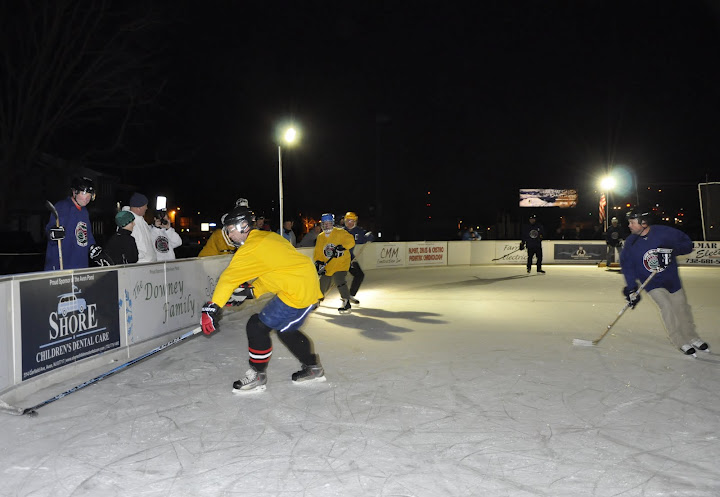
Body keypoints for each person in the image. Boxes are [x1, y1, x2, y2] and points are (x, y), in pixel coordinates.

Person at [200, 206, 326, 393]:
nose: (229, 234)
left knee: (259, 327)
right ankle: (313, 367)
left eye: (231, 229)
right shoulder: (267, 237)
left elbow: (228, 278)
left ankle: (258, 375)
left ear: (244, 226)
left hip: (299, 292)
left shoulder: (252, 247)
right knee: (284, 331)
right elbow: (276, 271)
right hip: (297, 286)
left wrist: (213, 306)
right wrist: (251, 292)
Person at [620, 208, 710, 356]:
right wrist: (631, 288)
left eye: (632, 222)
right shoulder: (631, 242)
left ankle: (691, 337)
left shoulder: (664, 232)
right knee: (667, 307)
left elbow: (687, 244)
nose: (629, 225)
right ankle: (679, 341)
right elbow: (628, 267)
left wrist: (673, 250)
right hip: (652, 283)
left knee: (682, 309)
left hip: (672, 280)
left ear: (643, 222)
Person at [44, 176, 103, 270]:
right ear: (74, 192)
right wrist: (52, 234)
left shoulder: (84, 212)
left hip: (81, 266)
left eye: (90, 195)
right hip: (63, 266)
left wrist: (93, 248)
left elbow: (87, 235)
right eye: (84, 193)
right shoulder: (63, 206)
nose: (87, 198)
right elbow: (50, 230)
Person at [314, 212, 355, 313]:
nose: (326, 225)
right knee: (323, 282)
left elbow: (351, 241)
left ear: (332, 223)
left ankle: (346, 302)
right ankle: (317, 299)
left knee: (339, 279)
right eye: (324, 223)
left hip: (341, 264)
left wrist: (343, 246)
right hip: (329, 265)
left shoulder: (340, 232)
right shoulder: (320, 237)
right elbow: (318, 252)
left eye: (328, 223)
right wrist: (319, 262)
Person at [343, 211, 374, 304]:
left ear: (355, 221)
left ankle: (351, 295)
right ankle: (318, 297)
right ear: (345, 221)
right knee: (330, 277)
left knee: (359, 275)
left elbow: (365, 237)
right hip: (337, 258)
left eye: (352, 221)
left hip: (350, 258)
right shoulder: (340, 231)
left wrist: (369, 236)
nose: (350, 223)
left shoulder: (358, 231)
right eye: (348, 221)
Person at [122, 193, 157, 263]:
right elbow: (127, 245)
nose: (146, 208)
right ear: (139, 208)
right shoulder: (128, 222)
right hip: (141, 264)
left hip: (149, 264)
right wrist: (143, 256)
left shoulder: (141, 220)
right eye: (145, 206)